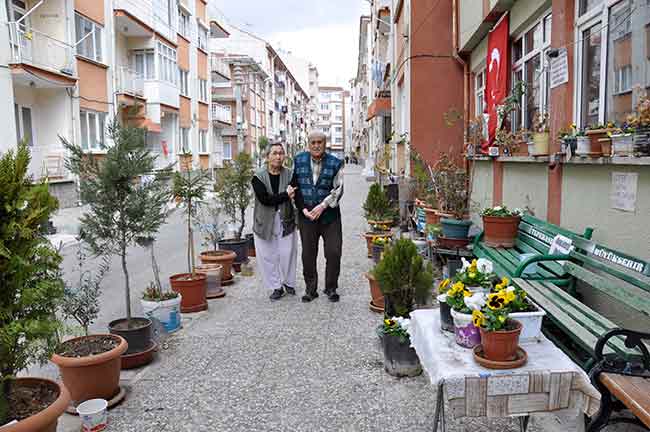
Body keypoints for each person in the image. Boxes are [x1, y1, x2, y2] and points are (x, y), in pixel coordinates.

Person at [289, 131, 344, 303]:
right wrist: (303, 209)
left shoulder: (336, 163)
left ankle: (331, 287)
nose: (316, 145)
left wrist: (323, 205)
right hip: (307, 216)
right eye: (313, 142)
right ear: (308, 144)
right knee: (308, 255)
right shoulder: (298, 161)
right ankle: (310, 290)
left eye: (320, 142)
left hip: (330, 216)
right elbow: (294, 187)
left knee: (334, 252)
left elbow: (339, 188)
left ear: (325, 143)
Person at [251, 142, 298, 301]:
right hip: (264, 222)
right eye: (274, 153)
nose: (278, 156)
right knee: (267, 255)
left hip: (286, 219)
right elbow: (265, 200)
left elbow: (296, 194)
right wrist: (286, 195)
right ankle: (276, 286)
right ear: (267, 157)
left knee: (288, 253)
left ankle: (289, 282)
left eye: (281, 153)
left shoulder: (291, 174)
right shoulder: (258, 177)